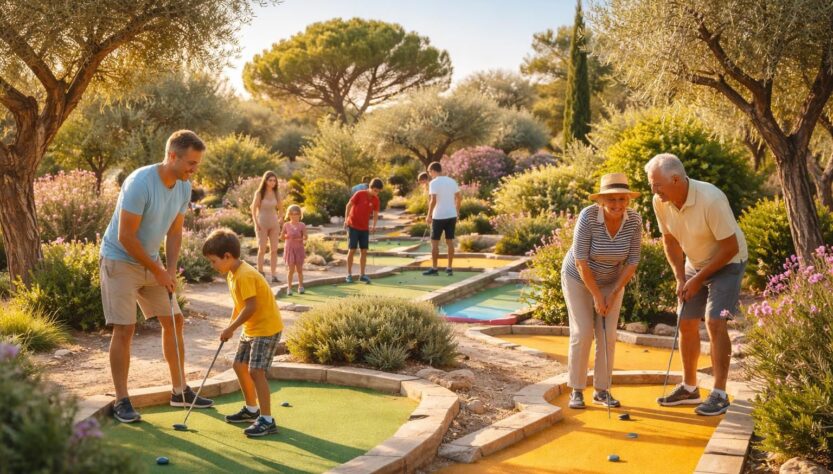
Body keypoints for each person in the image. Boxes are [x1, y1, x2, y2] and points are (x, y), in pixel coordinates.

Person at [100, 130, 213, 423]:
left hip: (152, 261)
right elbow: (126, 236)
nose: (194, 169)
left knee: (174, 320)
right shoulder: (140, 183)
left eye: (197, 164)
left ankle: (179, 391)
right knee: (125, 328)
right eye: (191, 163)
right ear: (172, 156)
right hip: (119, 260)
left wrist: (170, 269)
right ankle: (122, 400)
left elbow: (175, 231)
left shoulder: (184, 186)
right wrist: (158, 270)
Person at [646, 153, 747, 416]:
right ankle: (689, 388)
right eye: (652, 185)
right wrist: (681, 278)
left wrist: (698, 279)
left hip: (728, 261)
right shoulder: (660, 201)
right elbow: (670, 240)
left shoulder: (711, 199)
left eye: (657, 185)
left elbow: (729, 247)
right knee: (686, 321)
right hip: (696, 262)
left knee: (714, 321)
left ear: (676, 179)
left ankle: (720, 394)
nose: (654, 190)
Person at [562, 173, 643, 409]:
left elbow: (633, 261)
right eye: (611, 199)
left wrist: (613, 292)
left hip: (612, 280)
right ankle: (577, 390)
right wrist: (597, 296)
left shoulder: (634, 220)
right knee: (583, 332)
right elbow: (581, 261)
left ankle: (602, 390)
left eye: (622, 199)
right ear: (601, 200)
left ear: (628, 199)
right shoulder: (588, 216)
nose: (617, 204)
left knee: (607, 335)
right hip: (578, 278)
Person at [202, 228, 284, 437]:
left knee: (256, 371)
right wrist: (230, 326)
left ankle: (267, 420)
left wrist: (232, 328)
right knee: (239, 366)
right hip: (252, 328)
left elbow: (251, 307)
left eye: (213, 261)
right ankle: (251, 409)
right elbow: (240, 306)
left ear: (227, 256)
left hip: (266, 328)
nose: (212, 266)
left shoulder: (244, 275)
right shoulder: (232, 274)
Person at [423, 162, 460, 276]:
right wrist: (457, 212)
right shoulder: (452, 181)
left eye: (429, 172)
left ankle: (435, 268)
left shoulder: (433, 183)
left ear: (433, 171)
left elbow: (433, 200)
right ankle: (449, 268)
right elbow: (459, 198)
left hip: (438, 216)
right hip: (451, 215)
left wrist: (429, 215)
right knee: (450, 241)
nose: (429, 174)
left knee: (434, 243)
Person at [344, 178, 383, 283]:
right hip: (353, 226)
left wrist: (374, 225)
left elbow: (375, 213)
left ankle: (362, 275)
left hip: (364, 228)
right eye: (375, 190)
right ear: (370, 187)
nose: (376, 193)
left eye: (378, 191)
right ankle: (349, 274)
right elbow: (348, 205)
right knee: (352, 250)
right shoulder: (359, 194)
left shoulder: (376, 199)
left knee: (364, 251)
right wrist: (346, 220)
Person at [251, 171, 284, 283]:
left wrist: (280, 219)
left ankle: (274, 275)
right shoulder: (259, 193)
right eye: (270, 180)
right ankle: (260, 273)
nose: (272, 182)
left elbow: (281, 208)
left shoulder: (277, 193)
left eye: (274, 180)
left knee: (274, 250)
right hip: (262, 224)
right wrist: (256, 223)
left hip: (274, 225)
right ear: (265, 181)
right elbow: (253, 209)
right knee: (262, 249)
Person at [281, 205, 308, 295]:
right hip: (290, 249)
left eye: (296, 214)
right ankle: (289, 288)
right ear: (288, 215)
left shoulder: (302, 225)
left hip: (299, 249)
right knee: (291, 270)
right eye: (291, 214)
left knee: (299, 269)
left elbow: (306, 236)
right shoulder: (286, 225)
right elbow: (281, 237)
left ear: (299, 214)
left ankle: (301, 286)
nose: (294, 216)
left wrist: (301, 239)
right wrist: (286, 236)